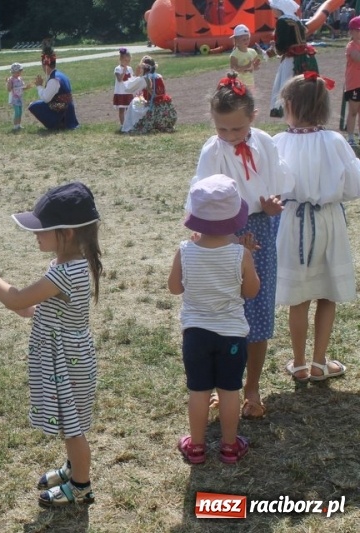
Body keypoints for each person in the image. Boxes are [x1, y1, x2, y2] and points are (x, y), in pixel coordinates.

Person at [0, 181, 101, 507]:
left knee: (73, 428)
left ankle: (81, 486)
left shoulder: (66, 271)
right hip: (67, 356)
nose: (35, 234)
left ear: (67, 233)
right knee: (69, 422)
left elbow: (16, 298)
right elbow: (41, 306)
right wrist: (30, 309)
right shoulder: (67, 263)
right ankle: (73, 468)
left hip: (68, 361)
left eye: (41, 229)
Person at [192, 74, 292, 420]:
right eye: (222, 129)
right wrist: (218, 234)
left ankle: (252, 386)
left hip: (260, 228)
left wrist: (273, 204)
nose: (230, 135)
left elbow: (278, 183)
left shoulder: (264, 142)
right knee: (223, 310)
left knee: (257, 308)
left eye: (237, 128)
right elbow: (202, 193)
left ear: (253, 116)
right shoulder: (213, 149)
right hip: (221, 232)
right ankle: (225, 385)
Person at [273, 73, 360, 383]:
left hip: (293, 222)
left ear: (289, 105)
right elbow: (353, 185)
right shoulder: (334, 141)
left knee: (299, 297)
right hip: (328, 221)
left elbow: (271, 185)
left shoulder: (278, 142)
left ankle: (299, 363)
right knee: (326, 293)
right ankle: (319, 362)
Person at [170, 174, 260, 465]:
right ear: (235, 218)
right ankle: (230, 446)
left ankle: (196, 447)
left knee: (198, 390)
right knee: (230, 390)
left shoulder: (185, 251)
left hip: (195, 334)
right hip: (231, 334)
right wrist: (248, 260)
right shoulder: (241, 254)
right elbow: (251, 291)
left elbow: (174, 288)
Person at [268, 0, 318, 117]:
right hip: (304, 58)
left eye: (273, 7)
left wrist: (274, 48)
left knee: (288, 88)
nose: (272, 10)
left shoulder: (282, 21)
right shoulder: (296, 20)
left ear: (278, 8)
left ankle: (291, 116)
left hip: (291, 59)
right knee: (300, 87)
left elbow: (282, 46)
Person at [120, 55, 177, 134]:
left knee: (135, 102)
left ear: (144, 68)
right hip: (166, 109)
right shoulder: (159, 76)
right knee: (140, 99)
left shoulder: (145, 78)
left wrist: (136, 75)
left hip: (153, 109)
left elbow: (128, 88)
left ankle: (130, 125)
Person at [28, 46, 79, 130]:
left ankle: (58, 124)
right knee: (39, 103)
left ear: (46, 66)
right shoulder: (61, 75)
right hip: (67, 107)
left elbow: (46, 99)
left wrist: (39, 86)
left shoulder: (54, 80)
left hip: (61, 109)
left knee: (33, 105)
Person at [230, 24, 261, 90]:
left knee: (251, 96)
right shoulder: (234, 55)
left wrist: (255, 66)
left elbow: (256, 67)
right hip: (238, 84)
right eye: (244, 39)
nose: (246, 41)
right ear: (236, 40)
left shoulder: (252, 52)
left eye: (247, 39)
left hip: (250, 83)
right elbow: (234, 70)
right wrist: (247, 66)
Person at [345, 16, 360, 146]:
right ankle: (350, 137)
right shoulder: (351, 46)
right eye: (358, 30)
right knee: (353, 111)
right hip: (354, 83)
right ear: (352, 31)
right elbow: (357, 58)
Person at [113, 48, 134, 127]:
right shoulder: (117, 69)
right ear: (121, 59)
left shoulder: (130, 69)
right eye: (125, 60)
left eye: (128, 61)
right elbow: (119, 79)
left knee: (129, 109)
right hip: (120, 92)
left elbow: (132, 79)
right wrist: (124, 71)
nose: (127, 62)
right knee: (121, 110)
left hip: (128, 92)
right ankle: (122, 125)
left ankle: (129, 124)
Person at [7, 63, 31, 132]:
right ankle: (15, 125)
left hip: (20, 97)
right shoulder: (11, 79)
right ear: (13, 72)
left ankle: (19, 124)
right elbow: (9, 89)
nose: (19, 73)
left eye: (20, 72)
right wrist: (8, 84)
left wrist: (27, 87)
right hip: (14, 98)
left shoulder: (20, 79)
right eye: (18, 72)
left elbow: (22, 88)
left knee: (20, 112)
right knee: (17, 112)